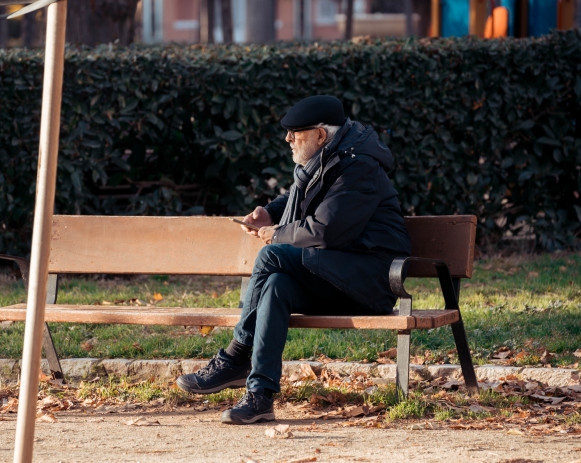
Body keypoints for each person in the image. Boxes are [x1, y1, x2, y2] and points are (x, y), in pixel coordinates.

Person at [176, 95, 412, 425]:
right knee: (276, 285)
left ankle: (235, 356)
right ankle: (260, 395)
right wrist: (270, 212)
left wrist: (276, 233)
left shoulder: (360, 168)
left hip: (369, 279)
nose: (288, 139)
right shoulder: (331, 158)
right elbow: (301, 195)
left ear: (320, 135)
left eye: (296, 133)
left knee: (273, 254)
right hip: (334, 274)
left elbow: (327, 230)